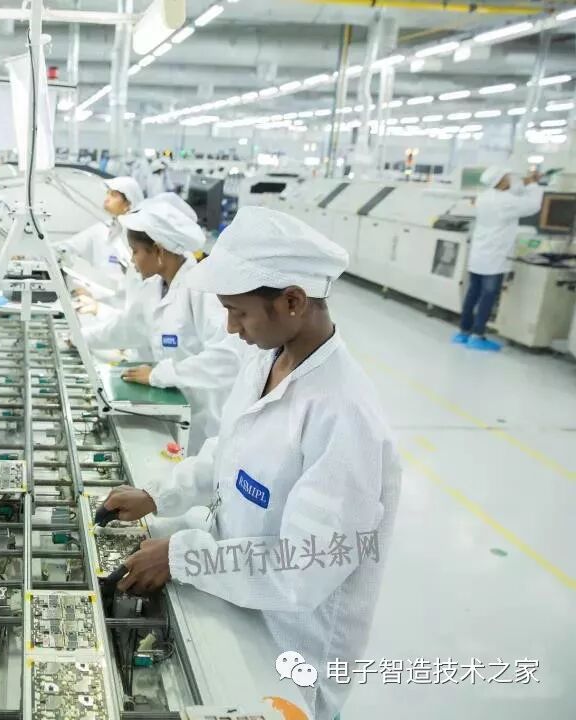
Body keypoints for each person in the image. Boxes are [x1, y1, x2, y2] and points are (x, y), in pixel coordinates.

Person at [103, 206, 401, 720]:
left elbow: (305, 567)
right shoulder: (266, 358)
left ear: (293, 301)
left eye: (238, 313)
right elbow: (230, 451)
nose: (229, 327)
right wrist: (159, 493)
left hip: (289, 647)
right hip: (233, 596)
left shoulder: (343, 415)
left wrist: (182, 557)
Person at [81, 194, 245, 452]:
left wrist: (161, 374)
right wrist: (80, 338)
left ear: (158, 250)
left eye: (135, 251)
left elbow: (229, 357)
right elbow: (126, 327)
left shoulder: (202, 290)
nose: (132, 260)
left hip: (205, 424)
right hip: (169, 413)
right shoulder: (155, 287)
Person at [454, 165, 544, 352]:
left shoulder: (485, 196)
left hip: (479, 253)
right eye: (508, 176)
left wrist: (525, 181)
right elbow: (533, 206)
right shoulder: (505, 201)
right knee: (488, 295)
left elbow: (511, 193)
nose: (512, 178)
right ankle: (477, 336)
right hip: (494, 255)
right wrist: (534, 185)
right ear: (502, 181)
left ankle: (463, 332)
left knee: (473, 293)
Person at [57, 176, 144, 308]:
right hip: (103, 303)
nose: (107, 198)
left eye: (113, 195)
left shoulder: (140, 235)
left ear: (128, 203)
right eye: (107, 193)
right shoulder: (103, 229)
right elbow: (66, 247)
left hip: (128, 305)